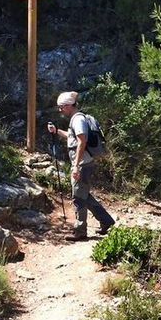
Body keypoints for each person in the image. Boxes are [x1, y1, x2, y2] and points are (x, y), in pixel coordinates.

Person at [48, 91, 114, 241]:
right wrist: (57, 131)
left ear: (69, 106)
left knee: (78, 198)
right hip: (85, 162)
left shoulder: (77, 120)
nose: (60, 110)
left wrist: (76, 166)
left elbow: (81, 141)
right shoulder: (77, 119)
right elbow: (73, 138)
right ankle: (106, 221)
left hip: (82, 164)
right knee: (84, 195)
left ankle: (80, 232)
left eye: (61, 107)